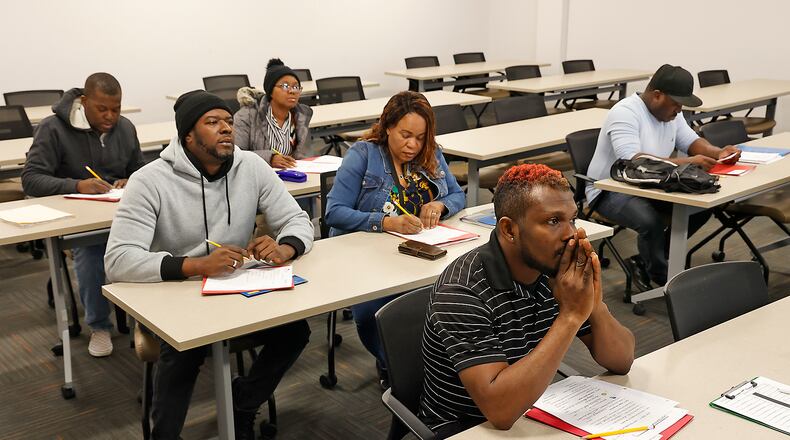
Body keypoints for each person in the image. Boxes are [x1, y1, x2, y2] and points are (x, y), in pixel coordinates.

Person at [104, 91, 314, 439]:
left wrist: (286, 248)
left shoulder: (251, 166)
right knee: (185, 349)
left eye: (229, 122)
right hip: (176, 295)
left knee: (295, 331)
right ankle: (165, 435)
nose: (226, 129)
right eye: (213, 123)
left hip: (237, 288)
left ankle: (242, 404)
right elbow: (118, 259)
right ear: (188, 134)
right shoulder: (149, 181)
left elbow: (297, 219)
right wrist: (195, 265)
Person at [419, 164, 635, 438]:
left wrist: (593, 304)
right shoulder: (462, 291)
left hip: (530, 411)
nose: (570, 234)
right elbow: (500, 412)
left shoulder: (556, 271)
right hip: (466, 428)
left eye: (573, 219)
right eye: (553, 221)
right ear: (509, 229)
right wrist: (570, 316)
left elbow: (622, 360)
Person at [325, 91, 465, 384]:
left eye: (420, 137)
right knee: (374, 315)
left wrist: (439, 204)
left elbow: (457, 194)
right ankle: (399, 370)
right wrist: (387, 222)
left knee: (449, 301)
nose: (413, 145)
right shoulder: (363, 154)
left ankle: (431, 370)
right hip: (365, 257)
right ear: (387, 125)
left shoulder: (430, 153)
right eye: (405, 135)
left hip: (419, 254)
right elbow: (334, 212)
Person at [585, 64, 741, 290]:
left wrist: (718, 153)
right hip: (610, 188)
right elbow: (633, 163)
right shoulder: (625, 112)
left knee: (700, 208)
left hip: (653, 184)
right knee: (650, 222)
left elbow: (691, 141)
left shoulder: (671, 115)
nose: (679, 110)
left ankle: (646, 260)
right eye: (676, 104)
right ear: (657, 95)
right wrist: (687, 162)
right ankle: (662, 277)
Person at [21, 72, 143, 357]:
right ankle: (99, 326)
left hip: (120, 213)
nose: (110, 116)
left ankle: (147, 320)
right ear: (84, 102)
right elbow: (31, 178)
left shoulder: (125, 128)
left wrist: (132, 180)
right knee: (92, 250)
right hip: (76, 219)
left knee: (160, 240)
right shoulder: (53, 129)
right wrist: (77, 185)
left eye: (116, 109)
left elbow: (140, 168)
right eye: (102, 109)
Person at [234, 58, 313, 169]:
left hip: (292, 177)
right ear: (270, 91)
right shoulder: (247, 115)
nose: (292, 91)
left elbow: (304, 155)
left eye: (296, 87)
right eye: (285, 86)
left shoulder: (300, 117)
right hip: (257, 178)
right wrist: (269, 158)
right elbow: (235, 155)